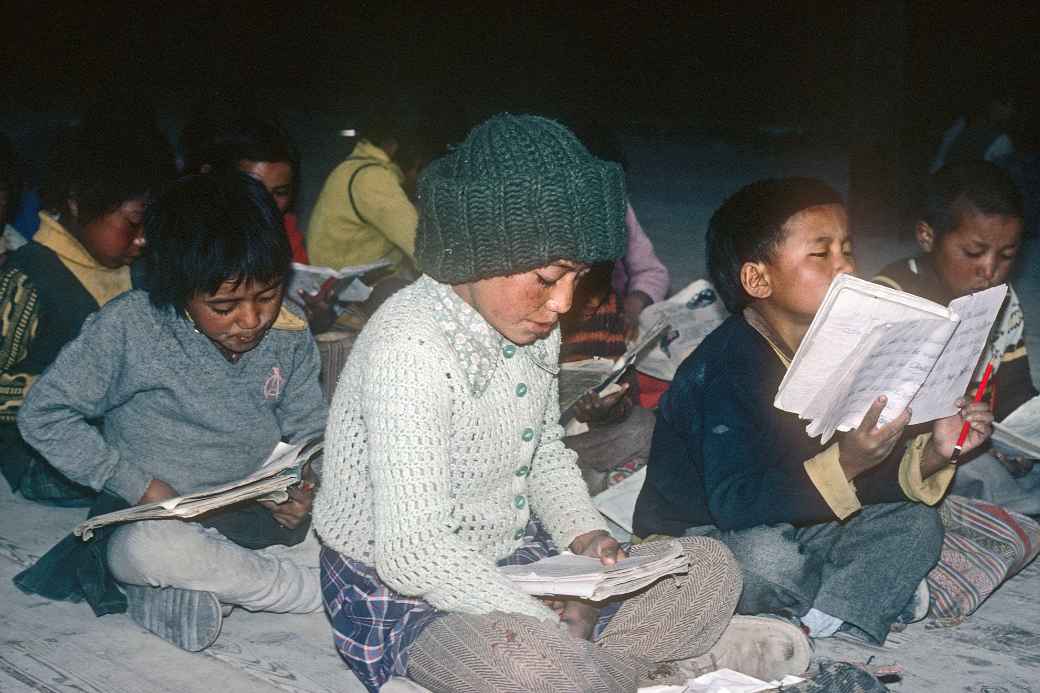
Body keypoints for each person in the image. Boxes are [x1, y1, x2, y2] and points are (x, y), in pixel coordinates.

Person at [313, 114, 809, 693]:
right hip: (405, 581)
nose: (563, 303)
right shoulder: (409, 346)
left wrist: (583, 537)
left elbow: (545, 451)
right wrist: (540, 617)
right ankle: (637, 663)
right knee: (530, 663)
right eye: (549, 277)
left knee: (707, 566)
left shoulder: (530, 324)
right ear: (477, 251)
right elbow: (412, 553)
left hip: (514, 550)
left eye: (577, 276)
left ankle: (604, 669)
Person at [634, 177, 995, 645]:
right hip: (707, 534)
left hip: (801, 519)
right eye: (821, 254)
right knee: (762, 562)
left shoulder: (850, 348)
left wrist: (935, 454)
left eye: (847, 249)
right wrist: (846, 462)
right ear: (758, 279)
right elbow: (736, 504)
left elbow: (864, 483)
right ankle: (848, 597)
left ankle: (821, 613)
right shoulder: (724, 370)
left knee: (916, 524)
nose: (845, 264)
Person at [16, 173, 328, 652]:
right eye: (224, 306)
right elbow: (43, 415)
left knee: (360, 506)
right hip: (155, 514)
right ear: (179, 288)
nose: (251, 320)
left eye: (266, 296)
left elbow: (311, 428)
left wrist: (303, 486)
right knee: (148, 550)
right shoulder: (131, 328)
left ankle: (200, 589)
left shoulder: (287, 332)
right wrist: (135, 483)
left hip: (253, 509)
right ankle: (295, 588)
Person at [0, 125, 168, 504]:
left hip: (125, 433)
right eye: (132, 223)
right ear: (77, 204)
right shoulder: (29, 279)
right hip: (48, 456)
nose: (143, 240)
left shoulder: (137, 270)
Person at [874, 161, 1039, 514]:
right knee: (982, 482)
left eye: (1007, 255)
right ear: (927, 236)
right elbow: (871, 413)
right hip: (910, 455)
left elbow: (1014, 391)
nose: (990, 270)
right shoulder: (892, 296)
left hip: (975, 440)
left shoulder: (1002, 301)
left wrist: (1022, 434)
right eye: (974, 252)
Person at [306, 107, 423, 307]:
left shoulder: (352, 167)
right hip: (345, 295)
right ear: (393, 147)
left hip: (338, 283)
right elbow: (420, 245)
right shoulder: (373, 178)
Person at [559, 261, 655, 495]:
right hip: (534, 443)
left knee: (646, 427)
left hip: (580, 436)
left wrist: (603, 413)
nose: (592, 304)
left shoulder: (608, 307)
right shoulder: (534, 311)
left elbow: (624, 391)